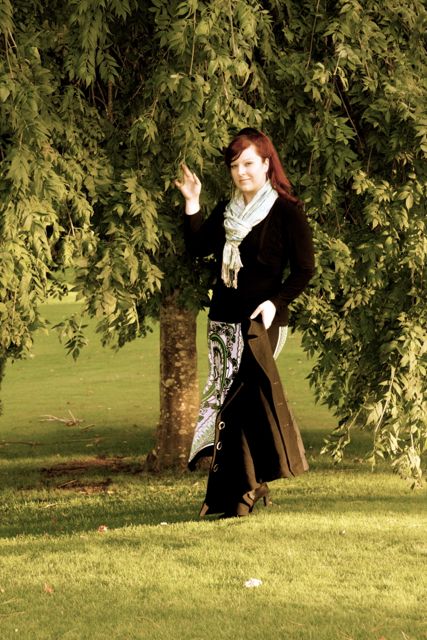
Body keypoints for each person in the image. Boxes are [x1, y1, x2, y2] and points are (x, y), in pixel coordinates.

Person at [175, 127, 315, 518]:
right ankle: (245, 488)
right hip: (223, 321)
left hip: (261, 323)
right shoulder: (227, 210)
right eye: (235, 166)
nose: (242, 172)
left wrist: (276, 302)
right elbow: (198, 247)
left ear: (267, 164)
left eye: (249, 164)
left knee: (240, 403)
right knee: (229, 406)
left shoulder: (286, 211)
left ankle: (238, 495)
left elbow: (305, 269)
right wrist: (192, 202)